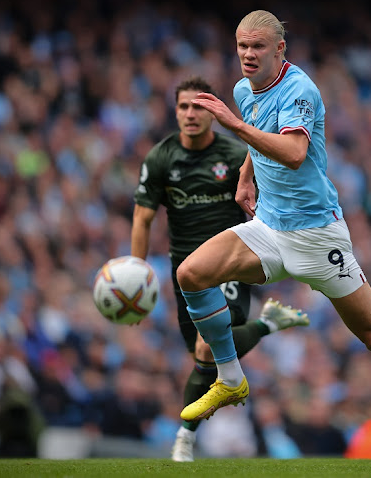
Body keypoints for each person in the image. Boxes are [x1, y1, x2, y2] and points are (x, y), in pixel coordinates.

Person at [174, 10, 371, 459]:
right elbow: (259, 139)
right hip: (269, 227)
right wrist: (246, 175)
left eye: (257, 47)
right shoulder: (242, 91)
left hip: (317, 236)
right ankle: (230, 379)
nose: (248, 55)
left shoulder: (300, 90)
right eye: (242, 46)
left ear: (279, 49)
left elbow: (292, 152)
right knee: (192, 273)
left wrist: (232, 125)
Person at [131, 76, 310, 462]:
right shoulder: (161, 158)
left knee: (207, 347)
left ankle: (186, 437)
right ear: (175, 111)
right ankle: (267, 324)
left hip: (229, 262)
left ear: (212, 112)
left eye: (199, 106)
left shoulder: (233, 156)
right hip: (185, 268)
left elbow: (263, 199)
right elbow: (143, 219)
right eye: (183, 107)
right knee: (202, 354)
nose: (191, 114)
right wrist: (135, 272)